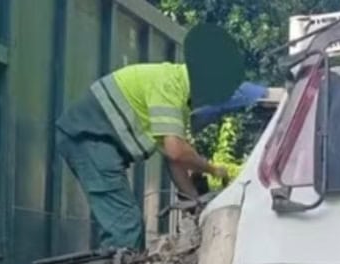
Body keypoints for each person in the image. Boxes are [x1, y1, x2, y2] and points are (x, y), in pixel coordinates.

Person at [55, 24, 243, 251]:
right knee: (125, 226)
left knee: (126, 224)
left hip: (94, 139)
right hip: (89, 137)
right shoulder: (168, 85)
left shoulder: (179, 96)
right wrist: (213, 169)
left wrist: (195, 203)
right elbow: (177, 151)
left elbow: (174, 160)